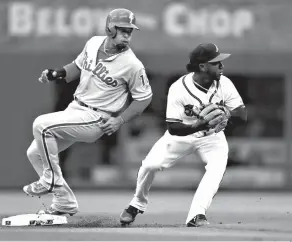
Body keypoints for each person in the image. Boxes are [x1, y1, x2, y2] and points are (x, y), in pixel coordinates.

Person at [23, 8, 153, 216]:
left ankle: (50, 180)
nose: (128, 34)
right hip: (76, 108)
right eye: (123, 29)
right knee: (34, 153)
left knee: (41, 124)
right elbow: (77, 66)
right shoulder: (93, 43)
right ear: (110, 28)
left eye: (130, 30)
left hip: (97, 117)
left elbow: (144, 97)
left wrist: (120, 120)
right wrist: (56, 73)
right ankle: (65, 202)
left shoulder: (132, 65)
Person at [119, 43, 247, 227]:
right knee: (150, 165)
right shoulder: (179, 88)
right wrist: (198, 124)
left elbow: (242, 114)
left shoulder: (224, 83)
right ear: (203, 66)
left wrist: (227, 113)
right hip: (182, 135)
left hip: (212, 137)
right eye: (216, 62)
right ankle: (137, 204)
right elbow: (173, 127)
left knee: (216, 169)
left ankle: (197, 215)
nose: (221, 66)